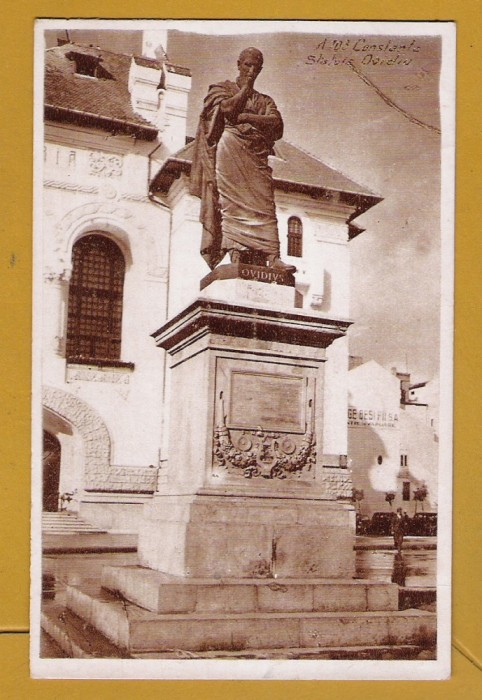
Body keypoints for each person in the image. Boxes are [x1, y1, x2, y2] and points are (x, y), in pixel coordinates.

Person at [190, 47, 296, 273]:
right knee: (231, 203)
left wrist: (247, 116)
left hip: (256, 156)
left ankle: (273, 256)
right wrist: (245, 90)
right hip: (231, 151)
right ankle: (235, 251)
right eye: (247, 65)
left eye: (256, 67)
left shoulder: (265, 99)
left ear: (261, 69)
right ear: (239, 64)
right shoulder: (222, 89)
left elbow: (276, 125)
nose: (251, 70)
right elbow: (227, 109)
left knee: (265, 203)